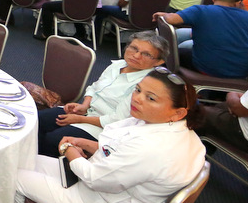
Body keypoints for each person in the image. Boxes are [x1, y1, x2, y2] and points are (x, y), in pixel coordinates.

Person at [16, 68, 205, 203]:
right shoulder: (174, 130)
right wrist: (85, 143)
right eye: (138, 90)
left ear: (178, 113)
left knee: (13, 179)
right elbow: (119, 151)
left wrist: (67, 149)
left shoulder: (152, 148)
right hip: (108, 195)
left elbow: (94, 178)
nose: (137, 99)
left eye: (151, 98)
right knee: (21, 163)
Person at [37, 32, 168, 158]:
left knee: (53, 139)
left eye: (146, 54)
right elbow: (94, 87)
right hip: (87, 112)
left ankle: (45, 166)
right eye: (134, 48)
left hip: (105, 129)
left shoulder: (146, 84)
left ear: (159, 62)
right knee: (36, 120)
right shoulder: (118, 65)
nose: (136, 55)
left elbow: (118, 119)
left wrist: (80, 119)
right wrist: (84, 105)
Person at [153, 0, 248, 79]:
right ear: (239, 3)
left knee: (169, 54)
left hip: (206, 67)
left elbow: (172, 19)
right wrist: (244, 12)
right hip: (241, 72)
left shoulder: (200, 11)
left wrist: (165, 14)